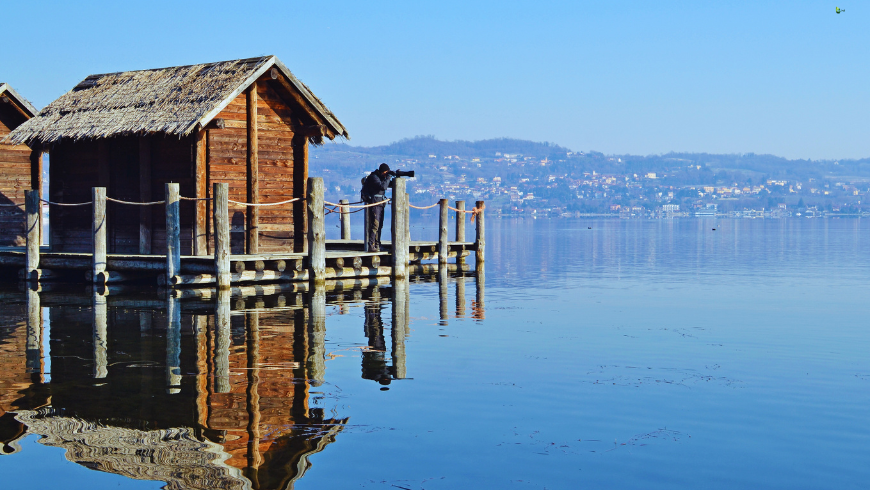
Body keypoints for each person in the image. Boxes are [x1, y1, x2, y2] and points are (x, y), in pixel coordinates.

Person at [360, 163, 394, 252]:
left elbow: (386, 185)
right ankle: (371, 245)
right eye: (386, 172)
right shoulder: (373, 177)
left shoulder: (382, 178)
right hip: (375, 203)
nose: (386, 174)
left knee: (380, 225)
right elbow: (382, 187)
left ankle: (378, 245)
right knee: (375, 224)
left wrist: (392, 178)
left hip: (380, 204)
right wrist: (388, 177)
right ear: (382, 171)